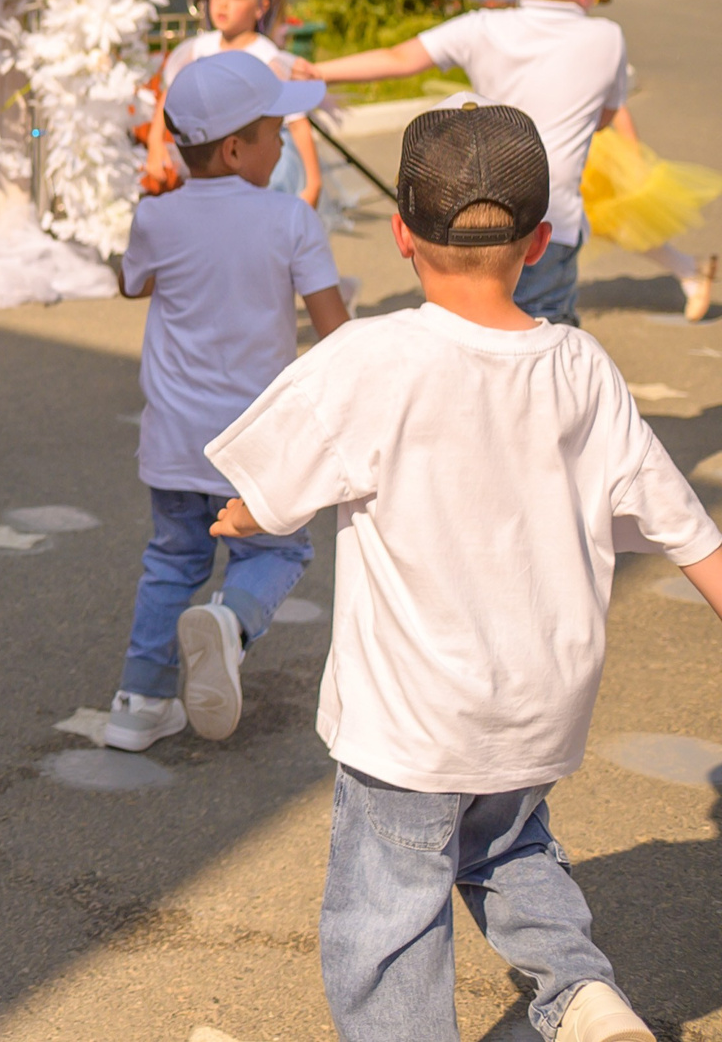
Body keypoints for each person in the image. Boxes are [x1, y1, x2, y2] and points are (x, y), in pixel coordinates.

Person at [209, 101, 722, 1042]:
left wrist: (242, 514)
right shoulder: (581, 365)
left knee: (389, 915)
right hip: (538, 705)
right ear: (541, 241)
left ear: (401, 233)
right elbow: (688, 531)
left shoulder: (370, 357)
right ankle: (582, 995)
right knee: (508, 844)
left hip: (413, 719)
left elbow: (271, 494)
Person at [101, 52, 349, 753]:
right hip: (255, 446)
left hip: (175, 441)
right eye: (275, 132)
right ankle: (230, 622)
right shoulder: (290, 219)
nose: (283, 146)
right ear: (237, 149)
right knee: (279, 550)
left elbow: (132, 283)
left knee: (171, 561)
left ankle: (138, 703)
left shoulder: (157, 217)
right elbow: (336, 334)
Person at [293, 0, 625, 325]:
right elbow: (604, 118)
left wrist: (319, 72)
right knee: (542, 326)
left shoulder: (481, 27)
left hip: (471, 210)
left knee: (464, 329)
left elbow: (400, 59)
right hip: (548, 218)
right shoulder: (608, 38)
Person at [148, 0, 324, 206]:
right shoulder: (200, 48)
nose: (223, 3)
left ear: (260, 7)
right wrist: (155, 142)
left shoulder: (266, 57)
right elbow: (172, 96)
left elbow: (296, 121)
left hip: (257, 161)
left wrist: (313, 182)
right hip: (213, 161)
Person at [585, 105, 719, 322]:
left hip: (588, 151)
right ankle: (688, 268)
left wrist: (632, 158)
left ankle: (689, 269)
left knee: (608, 222)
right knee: (596, 224)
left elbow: (616, 104)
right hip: (560, 145)